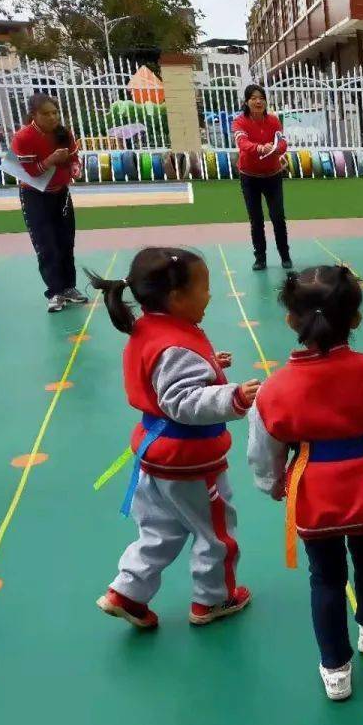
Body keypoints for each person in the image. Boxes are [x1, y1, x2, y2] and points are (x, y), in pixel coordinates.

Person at [247, 265, 363, 701]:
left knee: (325, 577)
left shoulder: (274, 389)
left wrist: (273, 483)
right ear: (356, 319)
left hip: (312, 490)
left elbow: (263, 449)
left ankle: (335, 669)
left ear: (291, 320)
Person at [87, 248, 258, 630]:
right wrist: (232, 396)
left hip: (153, 455)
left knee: (159, 529)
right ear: (177, 298)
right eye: (204, 289)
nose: (210, 296)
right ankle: (213, 600)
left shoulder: (149, 328)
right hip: (190, 463)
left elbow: (165, 377)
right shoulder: (176, 347)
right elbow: (182, 400)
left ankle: (127, 592)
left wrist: (213, 366)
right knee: (215, 532)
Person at [12, 93, 87, 313]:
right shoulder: (23, 138)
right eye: (46, 114)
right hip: (35, 196)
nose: (53, 118)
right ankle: (55, 292)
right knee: (46, 246)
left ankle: (69, 288)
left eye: (55, 113)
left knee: (66, 242)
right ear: (34, 115)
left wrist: (75, 168)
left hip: (60, 194)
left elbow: (74, 159)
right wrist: (51, 160)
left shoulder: (64, 133)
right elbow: (31, 172)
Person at [232, 84, 292, 271]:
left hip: (272, 177)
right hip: (249, 178)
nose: (258, 101)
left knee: (278, 217)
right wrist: (259, 147)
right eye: (253, 98)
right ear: (247, 102)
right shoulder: (239, 122)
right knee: (256, 219)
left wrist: (276, 148)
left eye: (261, 98)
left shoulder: (274, 121)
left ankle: (285, 256)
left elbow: (282, 142)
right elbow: (241, 142)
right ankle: (260, 258)